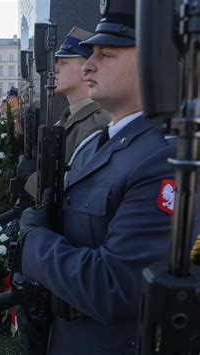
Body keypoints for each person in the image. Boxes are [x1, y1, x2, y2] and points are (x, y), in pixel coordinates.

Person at [18, 1, 198, 353]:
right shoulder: (93, 144)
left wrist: (33, 244)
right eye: (90, 54)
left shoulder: (165, 159)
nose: (88, 65)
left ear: (153, 61)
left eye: (107, 54)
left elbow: (116, 288)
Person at [24, 26, 111, 198]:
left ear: (87, 68)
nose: (55, 69)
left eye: (64, 62)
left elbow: (73, 191)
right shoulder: (65, 119)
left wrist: (30, 178)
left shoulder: (97, 125)